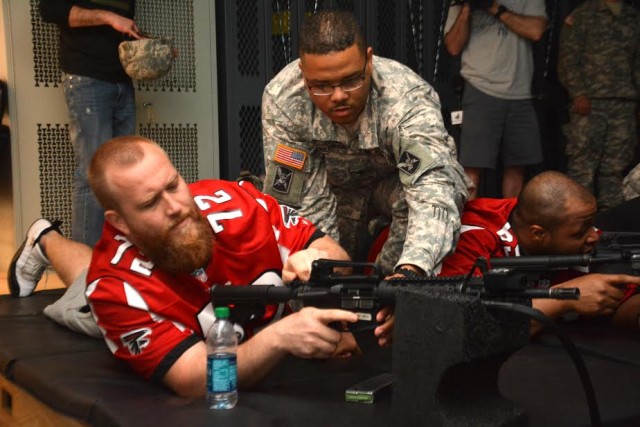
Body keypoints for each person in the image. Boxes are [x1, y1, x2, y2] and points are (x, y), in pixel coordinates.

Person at [9, 136, 385, 398]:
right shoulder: (115, 287)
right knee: (80, 298)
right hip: (155, 308)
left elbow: (332, 253)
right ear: (120, 223)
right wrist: (278, 337)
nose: (175, 207)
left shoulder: (238, 203)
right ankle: (44, 239)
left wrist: (317, 261)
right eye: (150, 203)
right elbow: (194, 379)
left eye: (173, 184)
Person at [261, 10, 470, 278]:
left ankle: (385, 282)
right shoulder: (284, 98)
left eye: (351, 80)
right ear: (303, 74)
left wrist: (412, 271)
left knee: (426, 195)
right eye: (321, 85)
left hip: (394, 191)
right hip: (333, 192)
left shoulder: (404, 97)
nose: (338, 96)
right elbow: (298, 198)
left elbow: (431, 186)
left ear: (369, 61)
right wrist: (326, 271)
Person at [439, 170, 640, 334]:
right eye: (581, 231)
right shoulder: (473, 236)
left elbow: (619, 305)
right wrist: (565, 299)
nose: (594, 236)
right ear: (538, 234)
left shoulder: (562, 225)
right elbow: (464, 325)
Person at [39, 0, 142, 246]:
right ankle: (85, 268)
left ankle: (116, 257)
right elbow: (51, 9)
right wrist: (108, 17)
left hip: (122, 79)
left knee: (123, 173)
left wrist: (150, 47)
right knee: (93, 173)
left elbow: (122, 31)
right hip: (86, 79)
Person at [444, 0, 547, 199]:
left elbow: (536, 31)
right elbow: (453, 47)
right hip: (480, 88)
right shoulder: (461, 3)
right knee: (472, 169)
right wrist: (467, 7)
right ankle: (469, 226)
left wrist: (493, 7)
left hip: (520, 93)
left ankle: (509, 227)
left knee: (517, 167)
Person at [557, 0, 640, 212]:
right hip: (590, 104)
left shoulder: (633, 16)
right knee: (582, 165)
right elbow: (568, 58)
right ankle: (578, 219)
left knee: (615, 168)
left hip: (624, 103)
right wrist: (578, 94)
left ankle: (612, 223)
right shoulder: (584, 14)